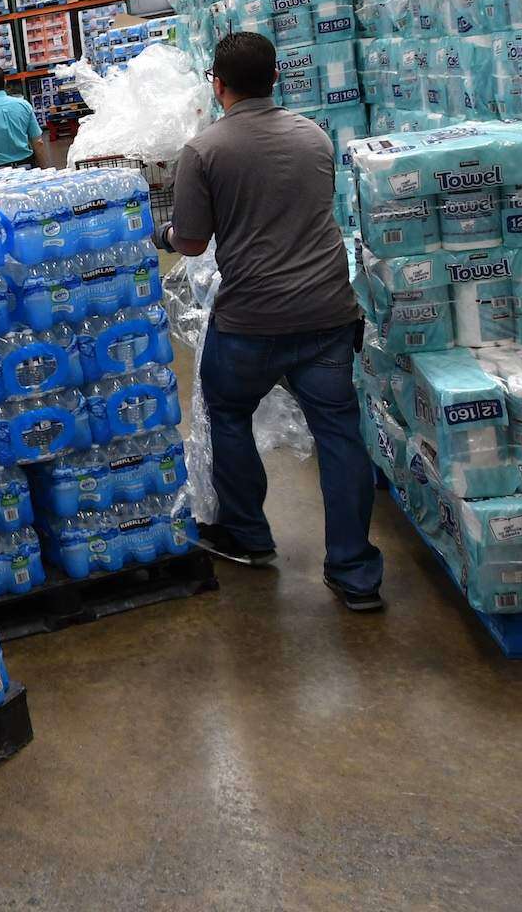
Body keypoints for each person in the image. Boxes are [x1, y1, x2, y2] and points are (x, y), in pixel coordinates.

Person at [155, 31, 384, 612]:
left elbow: (191, 239)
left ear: (218, 84)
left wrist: (160, 235)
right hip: (330, 311)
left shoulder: (204, 151)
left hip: (252, 318)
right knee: (338, 433)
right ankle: (355, 573)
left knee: (225, 410)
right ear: (276, 79)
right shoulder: (314, 136)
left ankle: (249, 536)